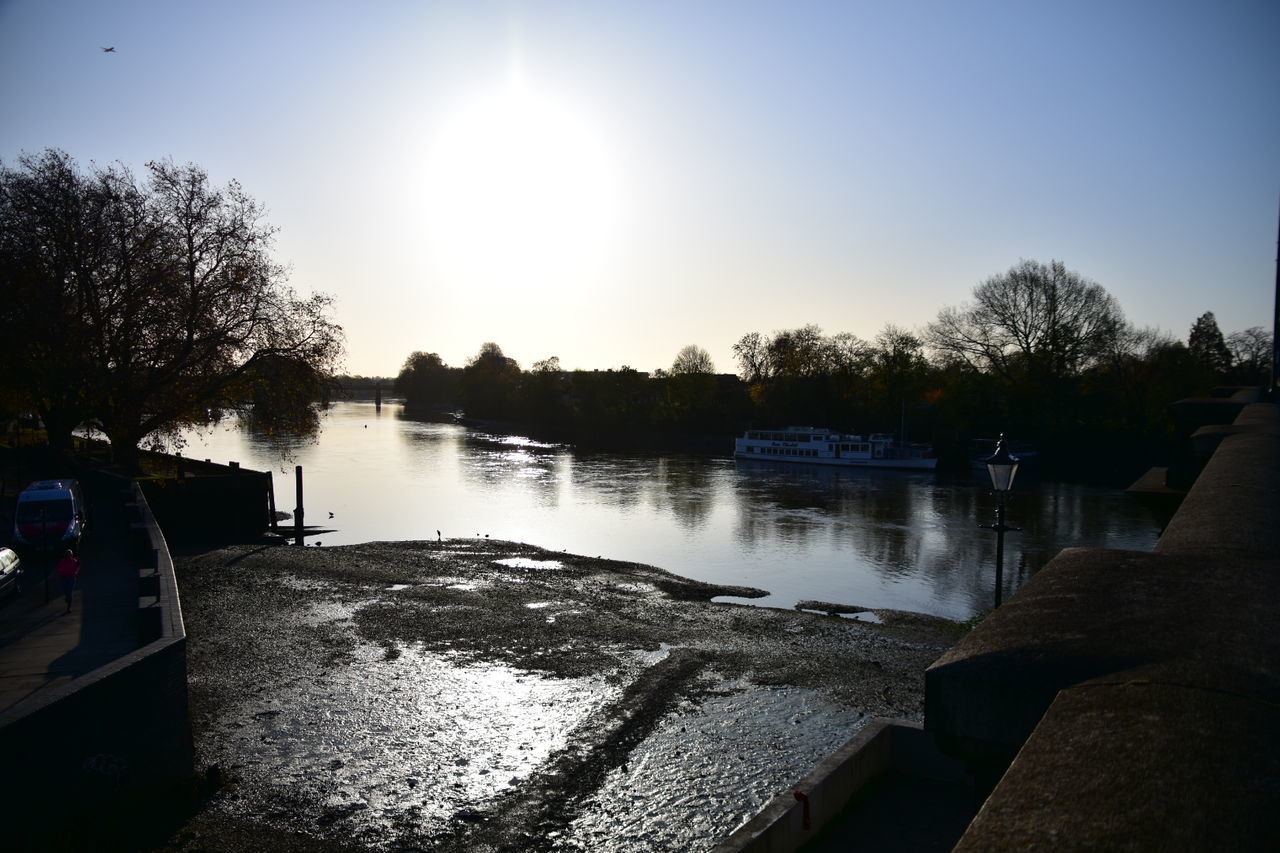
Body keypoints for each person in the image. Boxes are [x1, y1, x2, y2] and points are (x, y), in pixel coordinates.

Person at [55, 549, 80, 613]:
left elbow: (77, 568)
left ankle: (68, 607)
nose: (68, 555)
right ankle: (67, 598)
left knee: (69, 591)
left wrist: (76, 569)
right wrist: (60, 572)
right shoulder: (62, 561)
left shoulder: (74, 561)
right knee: (65, 590)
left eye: (69, 554)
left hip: (71, 577)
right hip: (64, 578)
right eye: (66, 554)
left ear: (71, 555)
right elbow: (58, 568)